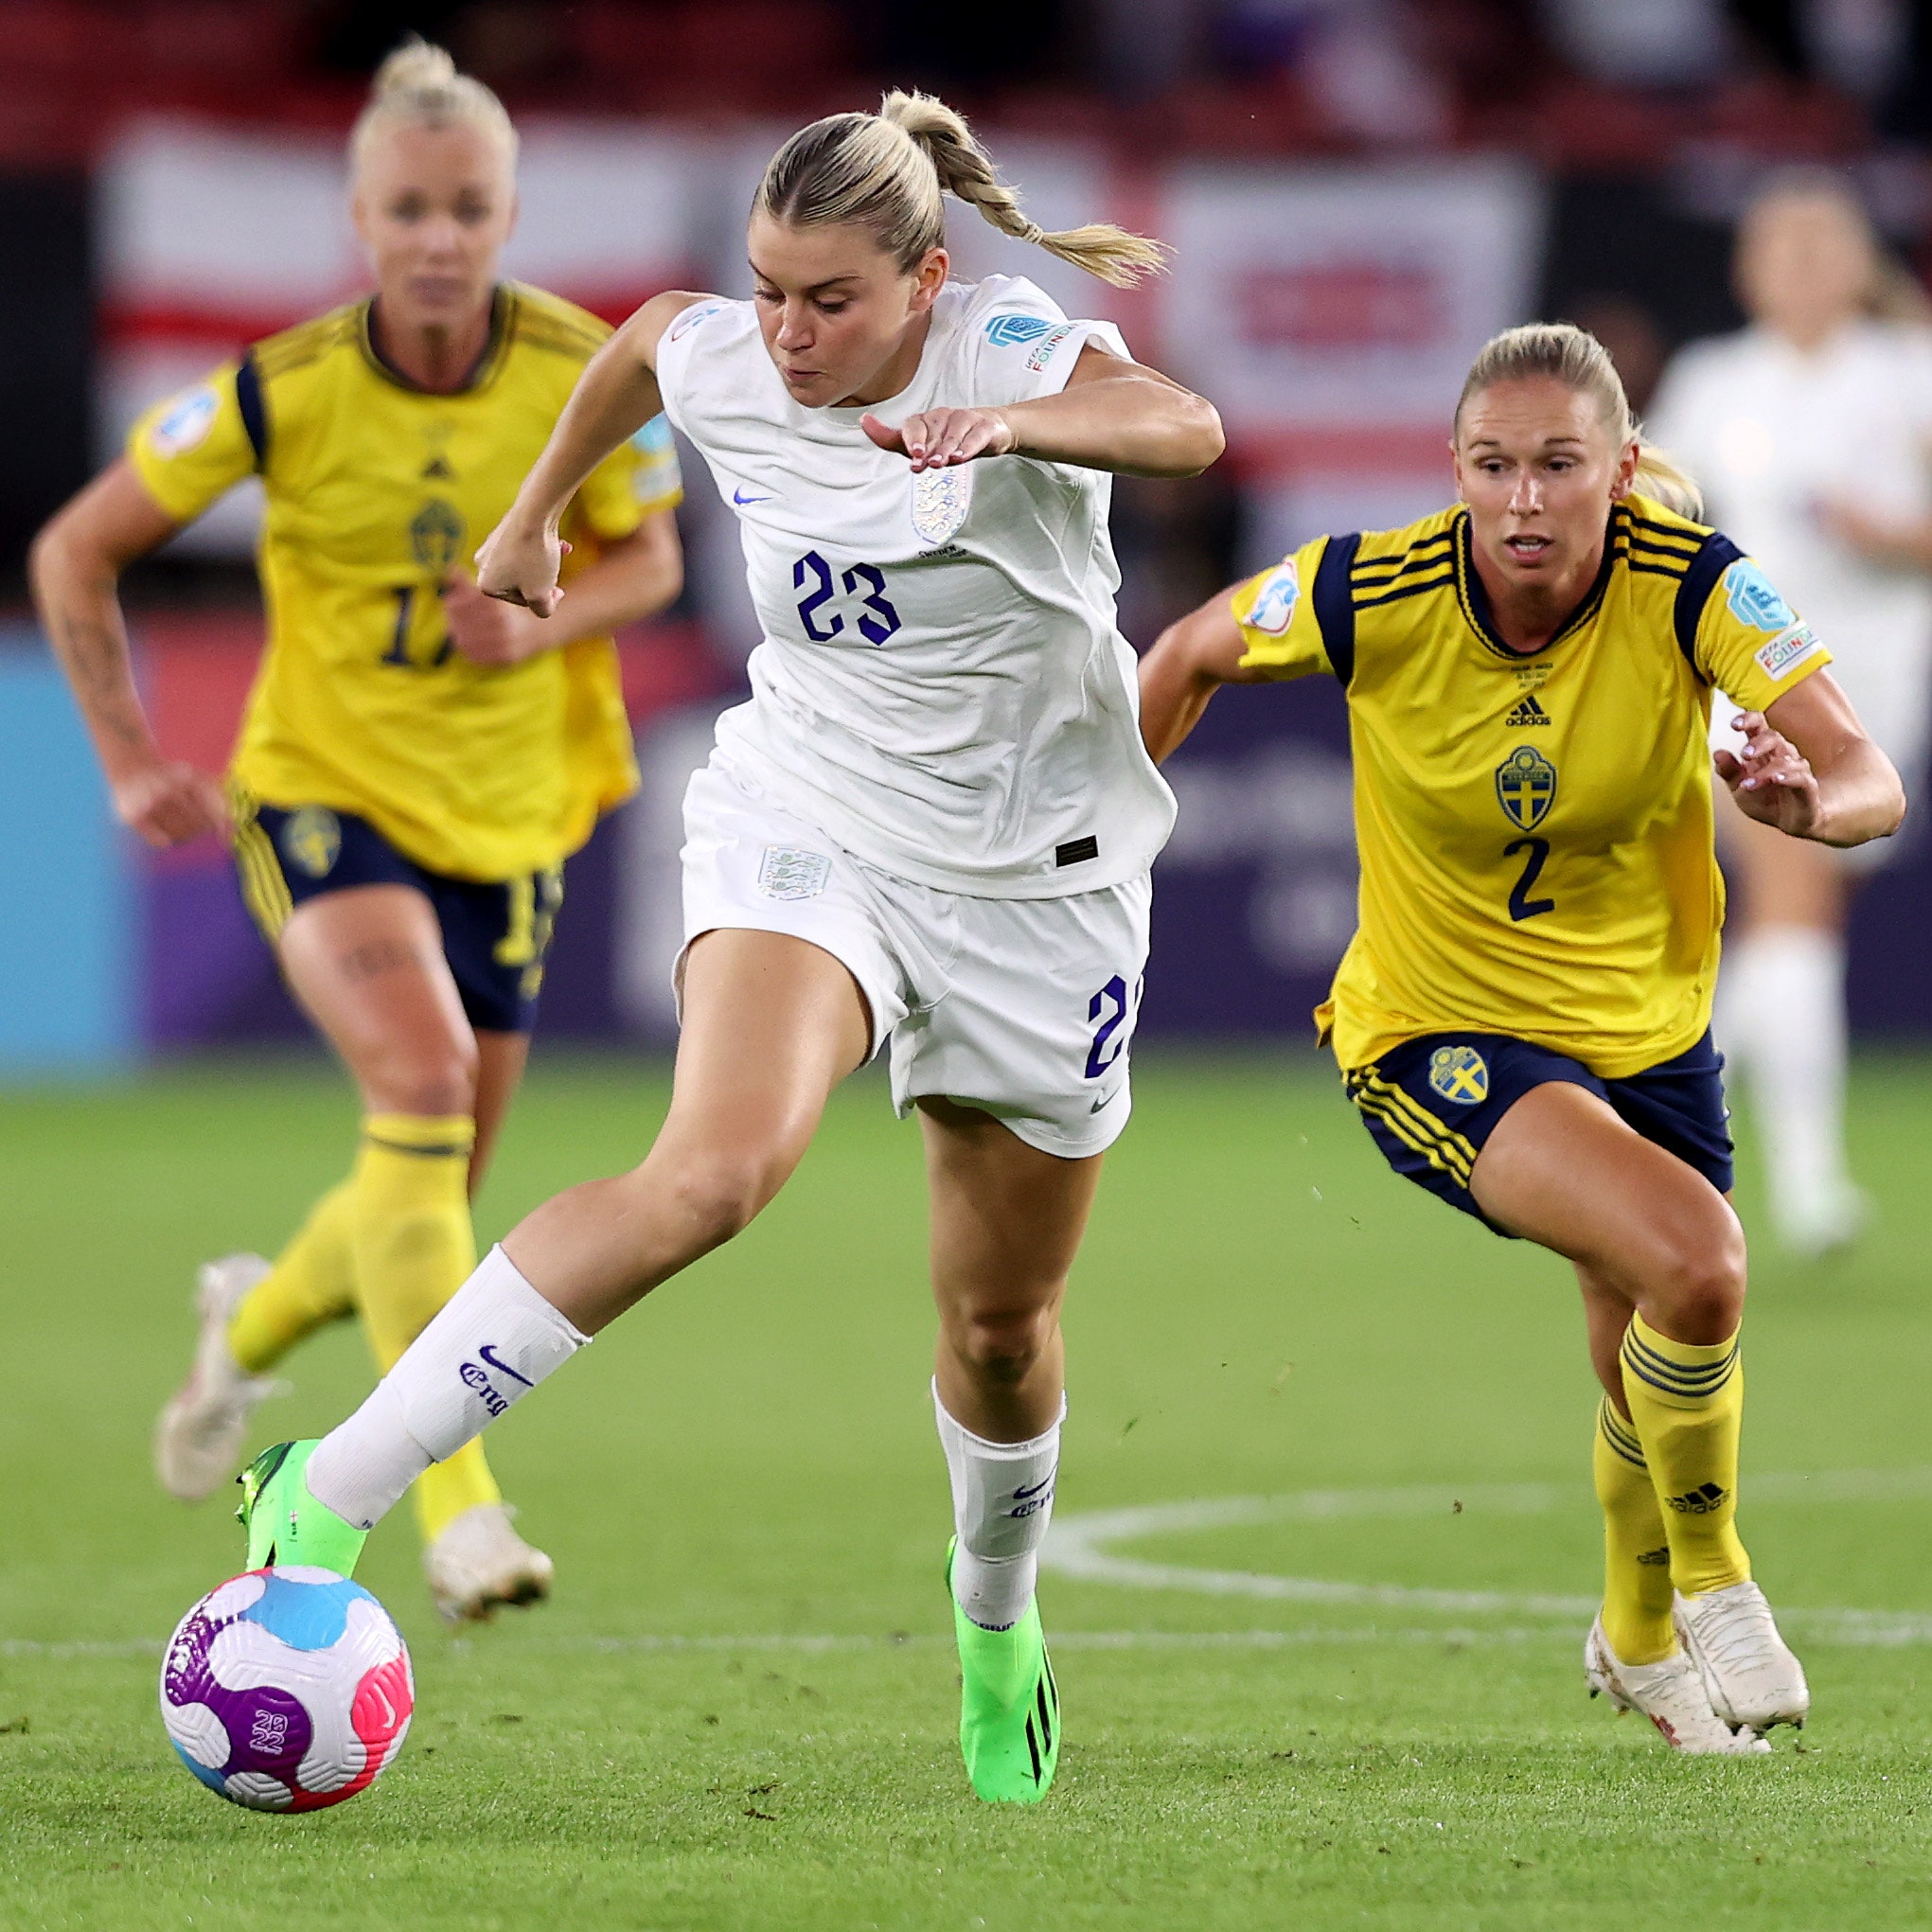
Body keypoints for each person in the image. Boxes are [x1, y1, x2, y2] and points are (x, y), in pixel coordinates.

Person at [222, 93, 1223, 1804]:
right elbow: (643, 348)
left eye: (829, 299)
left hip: (1036, 886)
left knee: (998, 1321)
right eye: (768, 289)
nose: (787, 331)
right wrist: (539, 513)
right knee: (714, 1171)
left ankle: (995, 1621)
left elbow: (1184, 424)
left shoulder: (1006, 342)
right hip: (809, 813)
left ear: (920, 279)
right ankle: (329, 1484)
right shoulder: (731, 355)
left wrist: (1010, 424)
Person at [1137, 323, 1902, 1752]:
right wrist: (1095, 866)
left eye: (1560, 465)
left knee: (1641, 1335)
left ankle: (1629, 1633)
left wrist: (1807, 808)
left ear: (1618, 470)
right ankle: (1714, 1579)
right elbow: (1183, 653)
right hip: (1437, 1032)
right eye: (1494, 466)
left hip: (1645, 1033)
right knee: (1698, 1260)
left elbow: (1868, 774)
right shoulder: (1371, 586)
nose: (1526, 499)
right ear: (1455, 472)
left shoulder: (1693, 585)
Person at [32, 42, 684, 1622]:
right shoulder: (281, 388)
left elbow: (654, 565)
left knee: (429, 1184)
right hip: (320, 789)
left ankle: (247, 1331)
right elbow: (78, 550)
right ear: (359, 216)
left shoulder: (583, 367)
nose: (441, 239)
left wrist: (542, 629)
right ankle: (456, 1512)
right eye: (410, 208)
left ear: (511, 208)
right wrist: (127, 761)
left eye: (469, 207)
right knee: (420, 1081)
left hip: (511, 814)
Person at [1648, 172, 1932, 1254]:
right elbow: (1656, 512)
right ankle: (1807, 1183)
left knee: (1790, 929)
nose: (1805, 271)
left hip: (1880, 672)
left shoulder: (1906, 374)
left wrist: (1884, 535)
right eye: (1785, 250)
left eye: (1825, 249)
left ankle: (1664, 1125)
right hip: (1750, 668)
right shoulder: (1716, 382)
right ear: (1749, 270)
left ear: (1859, 265)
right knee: (1791, 893)